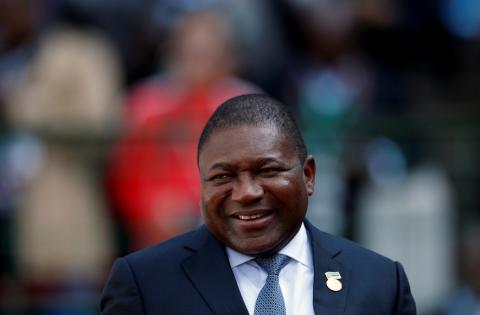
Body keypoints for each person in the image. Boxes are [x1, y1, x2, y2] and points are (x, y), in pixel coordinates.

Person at [100, 94, 416, 314]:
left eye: (267, 171)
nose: (246, 192)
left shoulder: (380, 283)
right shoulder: (145, 284)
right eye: (223, 177)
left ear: (308, 175)